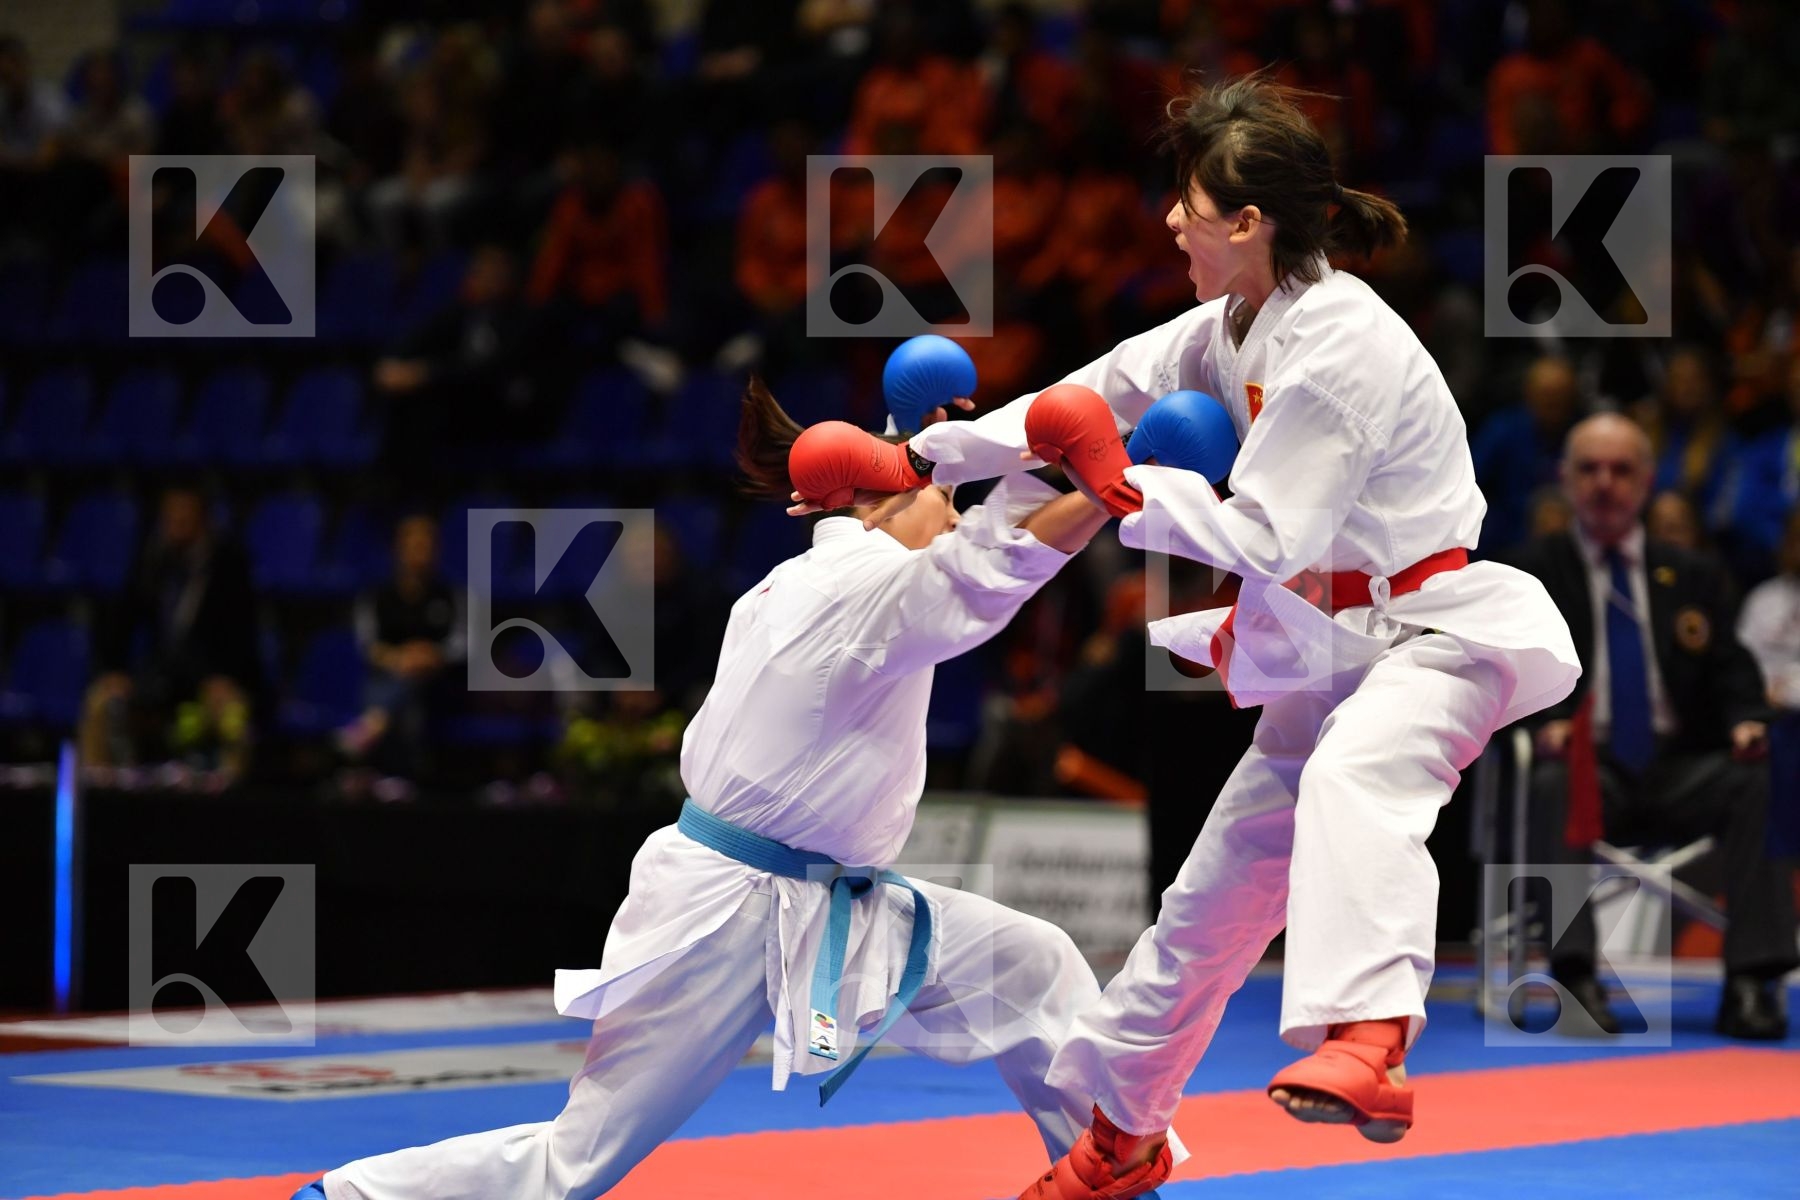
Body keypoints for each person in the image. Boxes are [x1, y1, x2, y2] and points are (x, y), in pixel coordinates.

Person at [794, 75, 1580, 1199]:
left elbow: (1265, 531)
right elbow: (1088, 394)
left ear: (1248, 223)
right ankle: (1123, 1136)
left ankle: (1371, 1042)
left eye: (1190, 204)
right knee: (1209, 901)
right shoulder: (1229, 326)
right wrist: (918, 459)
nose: (1171, 221)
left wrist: (1121, 486)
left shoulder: (1341, 343)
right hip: (1334, 645)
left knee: (1358, 778)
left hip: (1433, 632)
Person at [299, 381, 1179, 1200]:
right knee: (579, 1159)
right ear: (877, 503)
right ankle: (355, 1195)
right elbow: (992, 563)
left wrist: (1028, 450)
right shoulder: (859, 589)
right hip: (726, 909)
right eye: (945, 501)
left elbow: (974, 529)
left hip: (825, 898)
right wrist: (1108, 486)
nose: (955, 518)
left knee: (1032, 966)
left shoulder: (824, 574)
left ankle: (1104, 1176)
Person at [1516, 414, 1794, 1040]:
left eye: (1621, 470)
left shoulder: (1690, 574)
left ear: (1646, 481)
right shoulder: (1532, 571)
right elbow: (1500, 672)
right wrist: (1544, 721)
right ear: (1566, 479)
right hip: (1588, 766)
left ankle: (1753, 982)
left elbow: (1732, 669)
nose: (1604, 483)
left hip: (1678, 770)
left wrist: (1748, 721)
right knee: (1553, 776)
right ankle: (1576, 977)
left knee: (1761, 773)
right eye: (1589, 469)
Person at [81, 485, 261, 783]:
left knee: (233, 715)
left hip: (212, 680)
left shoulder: (229, 565)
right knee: (100, 699)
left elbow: (244, 635)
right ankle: (99, 789)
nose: (177, 526)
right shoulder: (153, 561)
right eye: (171, 518)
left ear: (203, 520)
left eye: (185, 518)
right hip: (161, 678)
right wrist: (114, 671)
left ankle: (229, 792)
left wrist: (223, 678)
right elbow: (121, 622)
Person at [336, 514, 464, 779]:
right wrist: (399, 659)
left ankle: (371, 737)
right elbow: (367, 643)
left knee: (408, 691)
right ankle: (401, 778)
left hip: (439, 684)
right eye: (413, 545)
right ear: (398, 549)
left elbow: (463, 643)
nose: (419, 553)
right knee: (401, 696)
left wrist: (431, 656)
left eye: (426, 546)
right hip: (390, 675)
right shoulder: (376, 596)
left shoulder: (453, 595)